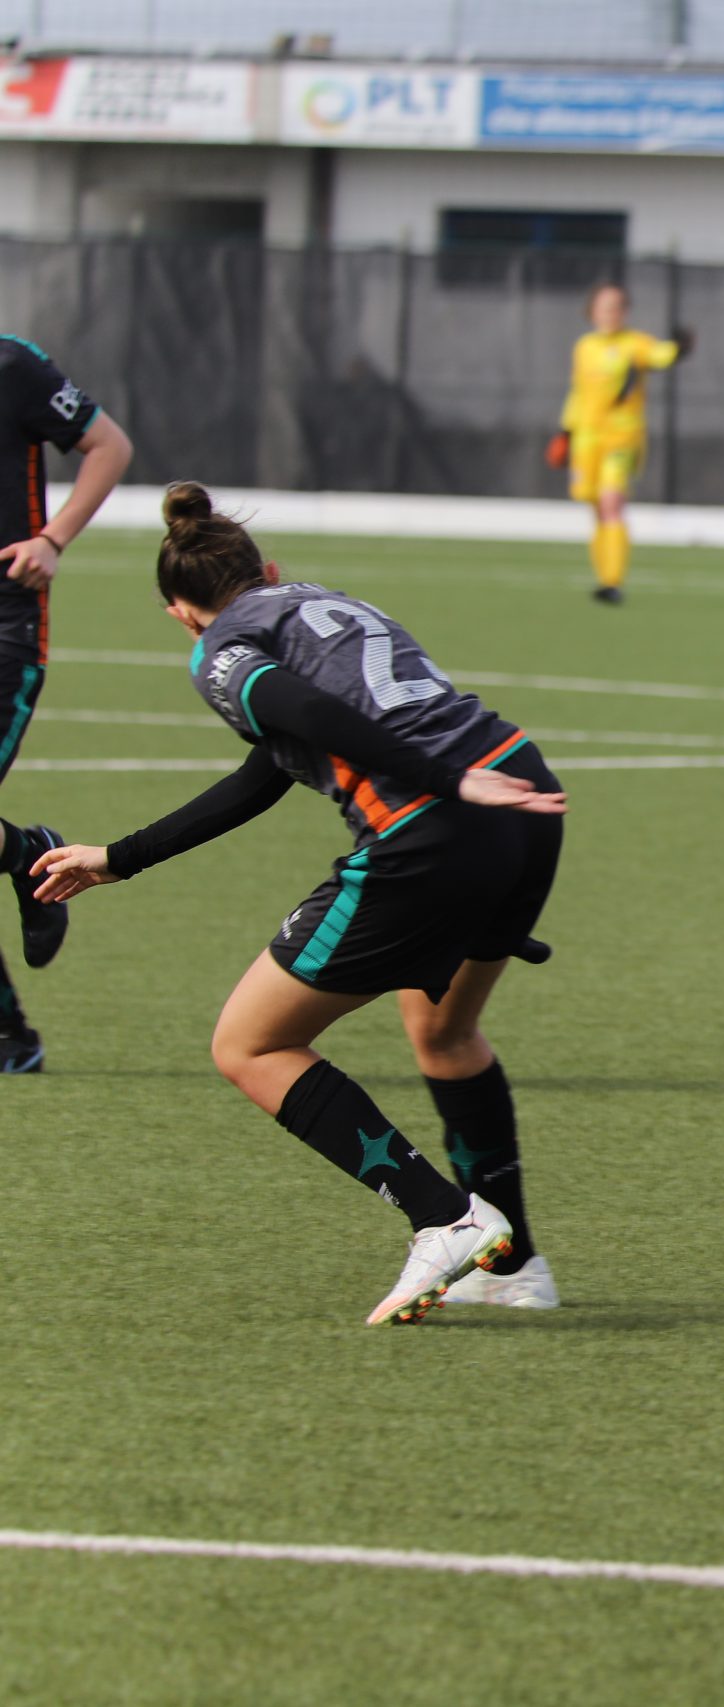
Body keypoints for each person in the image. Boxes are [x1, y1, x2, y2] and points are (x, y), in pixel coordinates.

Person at [32, 484, 572, 1322]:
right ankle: (514, 1267)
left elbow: (306, 710)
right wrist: (121, 858)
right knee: (444, 1033)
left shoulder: (219, 649)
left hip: (437, 819)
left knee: (249, 1044)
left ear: (180, 612)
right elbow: (268, 771)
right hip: (524, 792)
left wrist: (444, 779)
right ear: (269, 570)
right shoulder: (320, 603)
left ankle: (446, 1217)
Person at [0, 334, 134, 1073]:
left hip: (4, 630)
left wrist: (52, 539)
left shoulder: (12, 365)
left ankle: (11, 1037)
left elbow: (110, 444)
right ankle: (26, 855)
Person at [548, 283, 692, 606]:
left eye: (616, 307)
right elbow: (578, 392)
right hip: (587, 439)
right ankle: (603, 577)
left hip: (622, 437)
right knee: (596, 506)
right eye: (605, 307)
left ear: (624, 312)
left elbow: (659, 355)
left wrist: (679, 349)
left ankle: (613, 582)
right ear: (593, 311)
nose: (611, 313)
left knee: (612, 501)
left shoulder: (634, 344)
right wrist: (565, 431)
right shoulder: (584, 347)